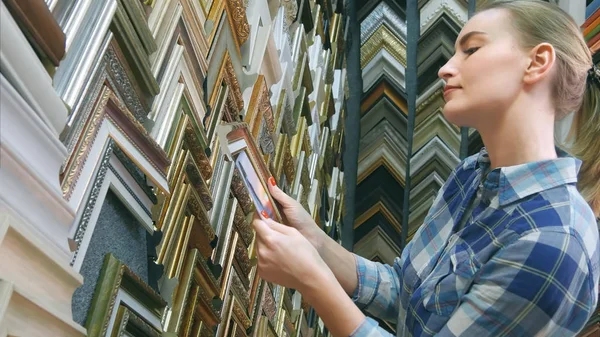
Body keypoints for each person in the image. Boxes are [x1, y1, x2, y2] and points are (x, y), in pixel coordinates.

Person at [251, 1, 600, 336]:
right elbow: (404, 292)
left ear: (537, 63)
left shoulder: (553, 240)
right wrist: (316, 243)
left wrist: (312, 279)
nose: (446, 68)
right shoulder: (472, 175)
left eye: (472, 49)